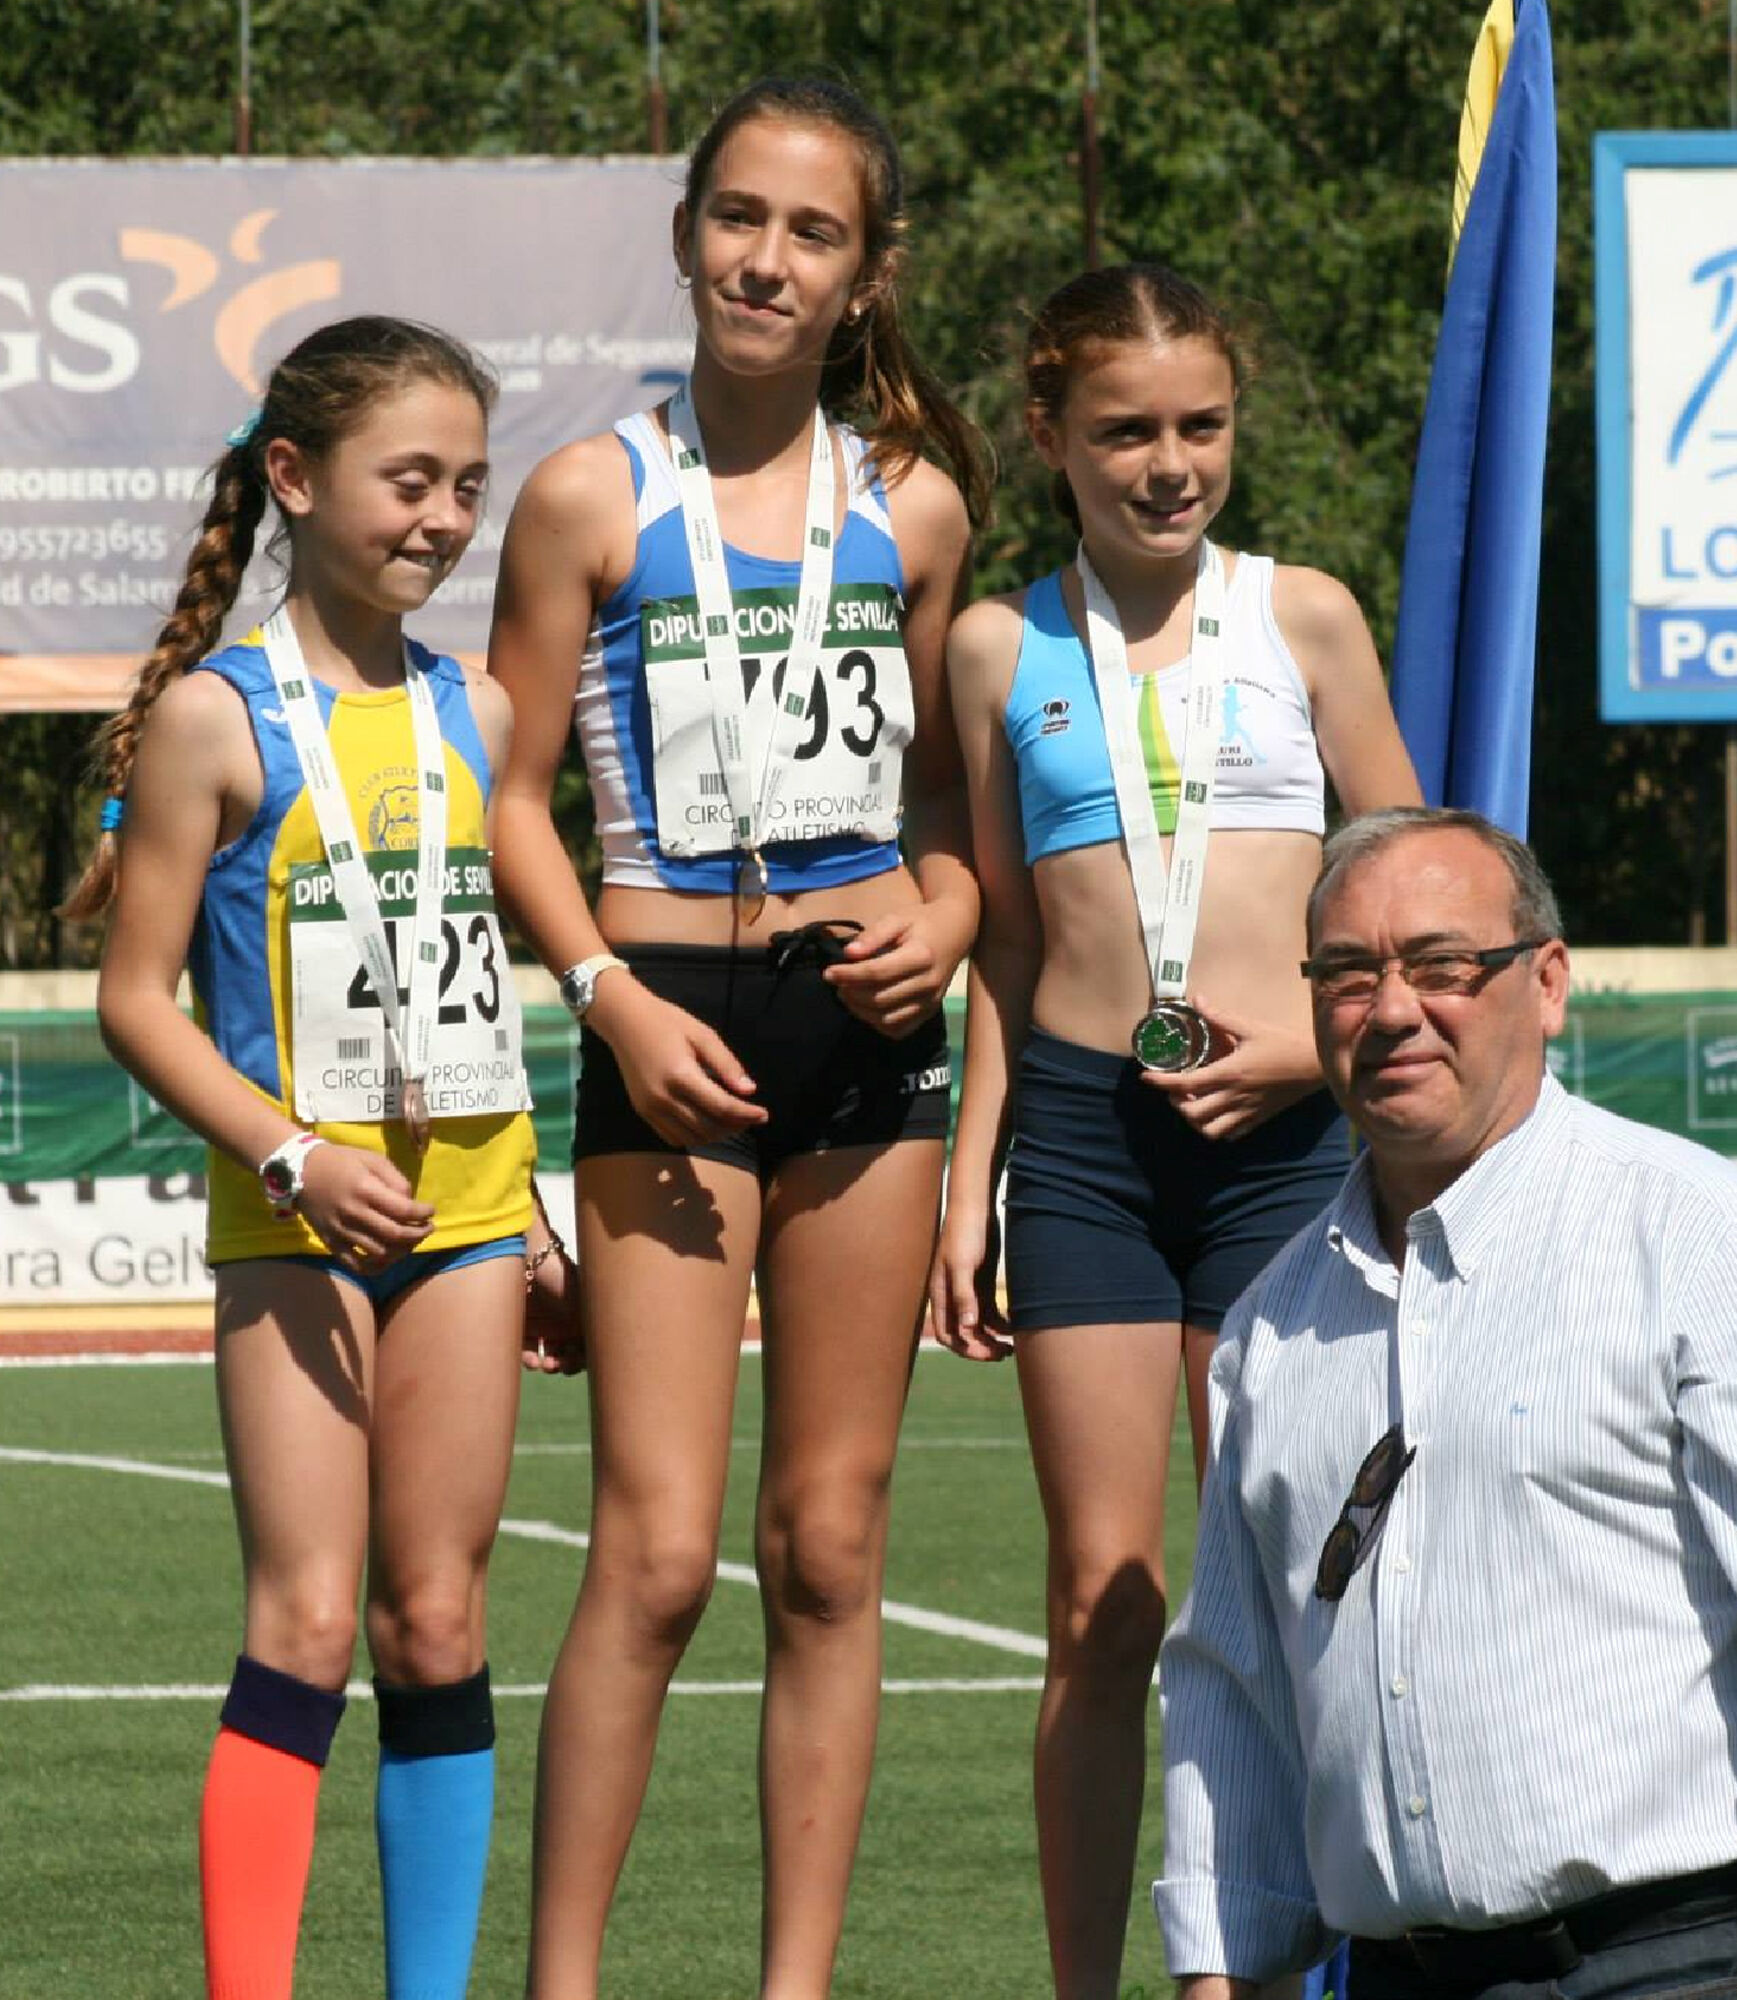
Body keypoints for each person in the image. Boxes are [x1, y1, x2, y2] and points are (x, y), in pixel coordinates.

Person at [484, 74, 987, 2000]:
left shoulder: (914, 506)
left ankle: (797, 1986)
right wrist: (603, 994)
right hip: (664, 1019)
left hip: (868, 1026)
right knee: (656, 1555)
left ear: (869, 274)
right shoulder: (589, 496)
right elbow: (512, 796)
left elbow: (942, 806)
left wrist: (948, 918)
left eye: (813, 232)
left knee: (833, 1545)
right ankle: (566, 1983)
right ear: (688, 234)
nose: (767, 260)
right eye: (739, 220)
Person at [1155, 806, 1737, 2000]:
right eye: (1348, 974)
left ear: (1547, 981)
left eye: (1441, 965)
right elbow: (1235, 1689)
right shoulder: (1269, 1327)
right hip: (1395, 1974)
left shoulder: (1695, 1239)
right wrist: (1217, 1974)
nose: (1391, 1009)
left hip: (1669, 1962)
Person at [930, 263, 1421, 1999]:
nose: (1169, 463)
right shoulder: (996, 647)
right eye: (1126, 429)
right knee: (1105, 1596)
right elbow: (1001, 941)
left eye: (1200, 424)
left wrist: (1308, 1052)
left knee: (1286, 1588)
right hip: (1084, 1145)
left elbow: (1421, 897)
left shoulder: (1306, 619)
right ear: (1049, 434)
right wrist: (972, 1182)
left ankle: (1277, 1966)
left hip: (1285, 1149)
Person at [69, 315, 559, 2000]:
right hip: (297, 1229)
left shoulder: (479, 710)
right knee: (304, 1619)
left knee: (440, 1621)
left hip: (471, 1222)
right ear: (293, 476)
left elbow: (469, 986)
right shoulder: (214, 720)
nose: (443, 518)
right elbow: (135, 1004)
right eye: (409, 479)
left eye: (468, 487)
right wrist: (290, 1160)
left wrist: (531, 1218)